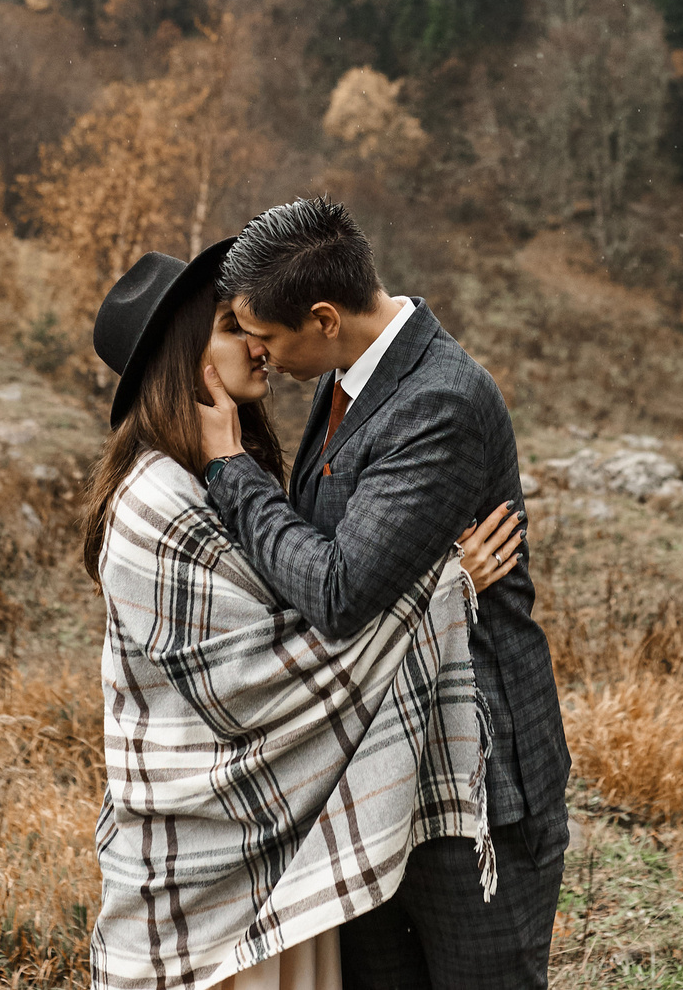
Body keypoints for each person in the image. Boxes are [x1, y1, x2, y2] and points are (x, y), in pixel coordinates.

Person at [84, 237, 527, 990]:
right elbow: (261, 677)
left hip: (271, 850)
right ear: (187, 361)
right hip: (202, 856)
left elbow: (304, 601)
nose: (256, 344)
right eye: (231, 327)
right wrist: (443, 584)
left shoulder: (216, 473)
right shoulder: (158, 504)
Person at [197, 199, 570, 990]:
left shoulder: (439, 402)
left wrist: (231, 468)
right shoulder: (345, 378)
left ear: (324, 318)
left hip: (472, 787)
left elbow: (337, 589)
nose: (258, 353)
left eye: (265, 335)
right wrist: (442, 578)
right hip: (377, 770)